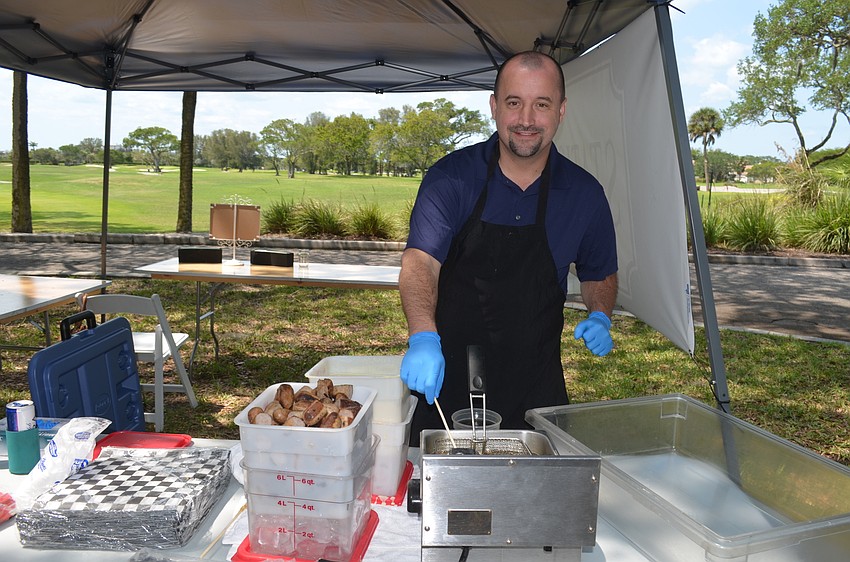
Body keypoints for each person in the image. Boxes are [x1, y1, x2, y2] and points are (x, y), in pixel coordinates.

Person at [399, 50, 618, 446]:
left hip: (536, 388)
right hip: (446, 384)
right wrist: (423, 338)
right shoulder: (451, 178)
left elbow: (599, 273)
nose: (526, 120)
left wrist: (601, 313)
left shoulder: (585, 194)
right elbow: (420, 262)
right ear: (494, 107)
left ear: (562, 110)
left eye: (542, 104)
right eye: (514, 103)